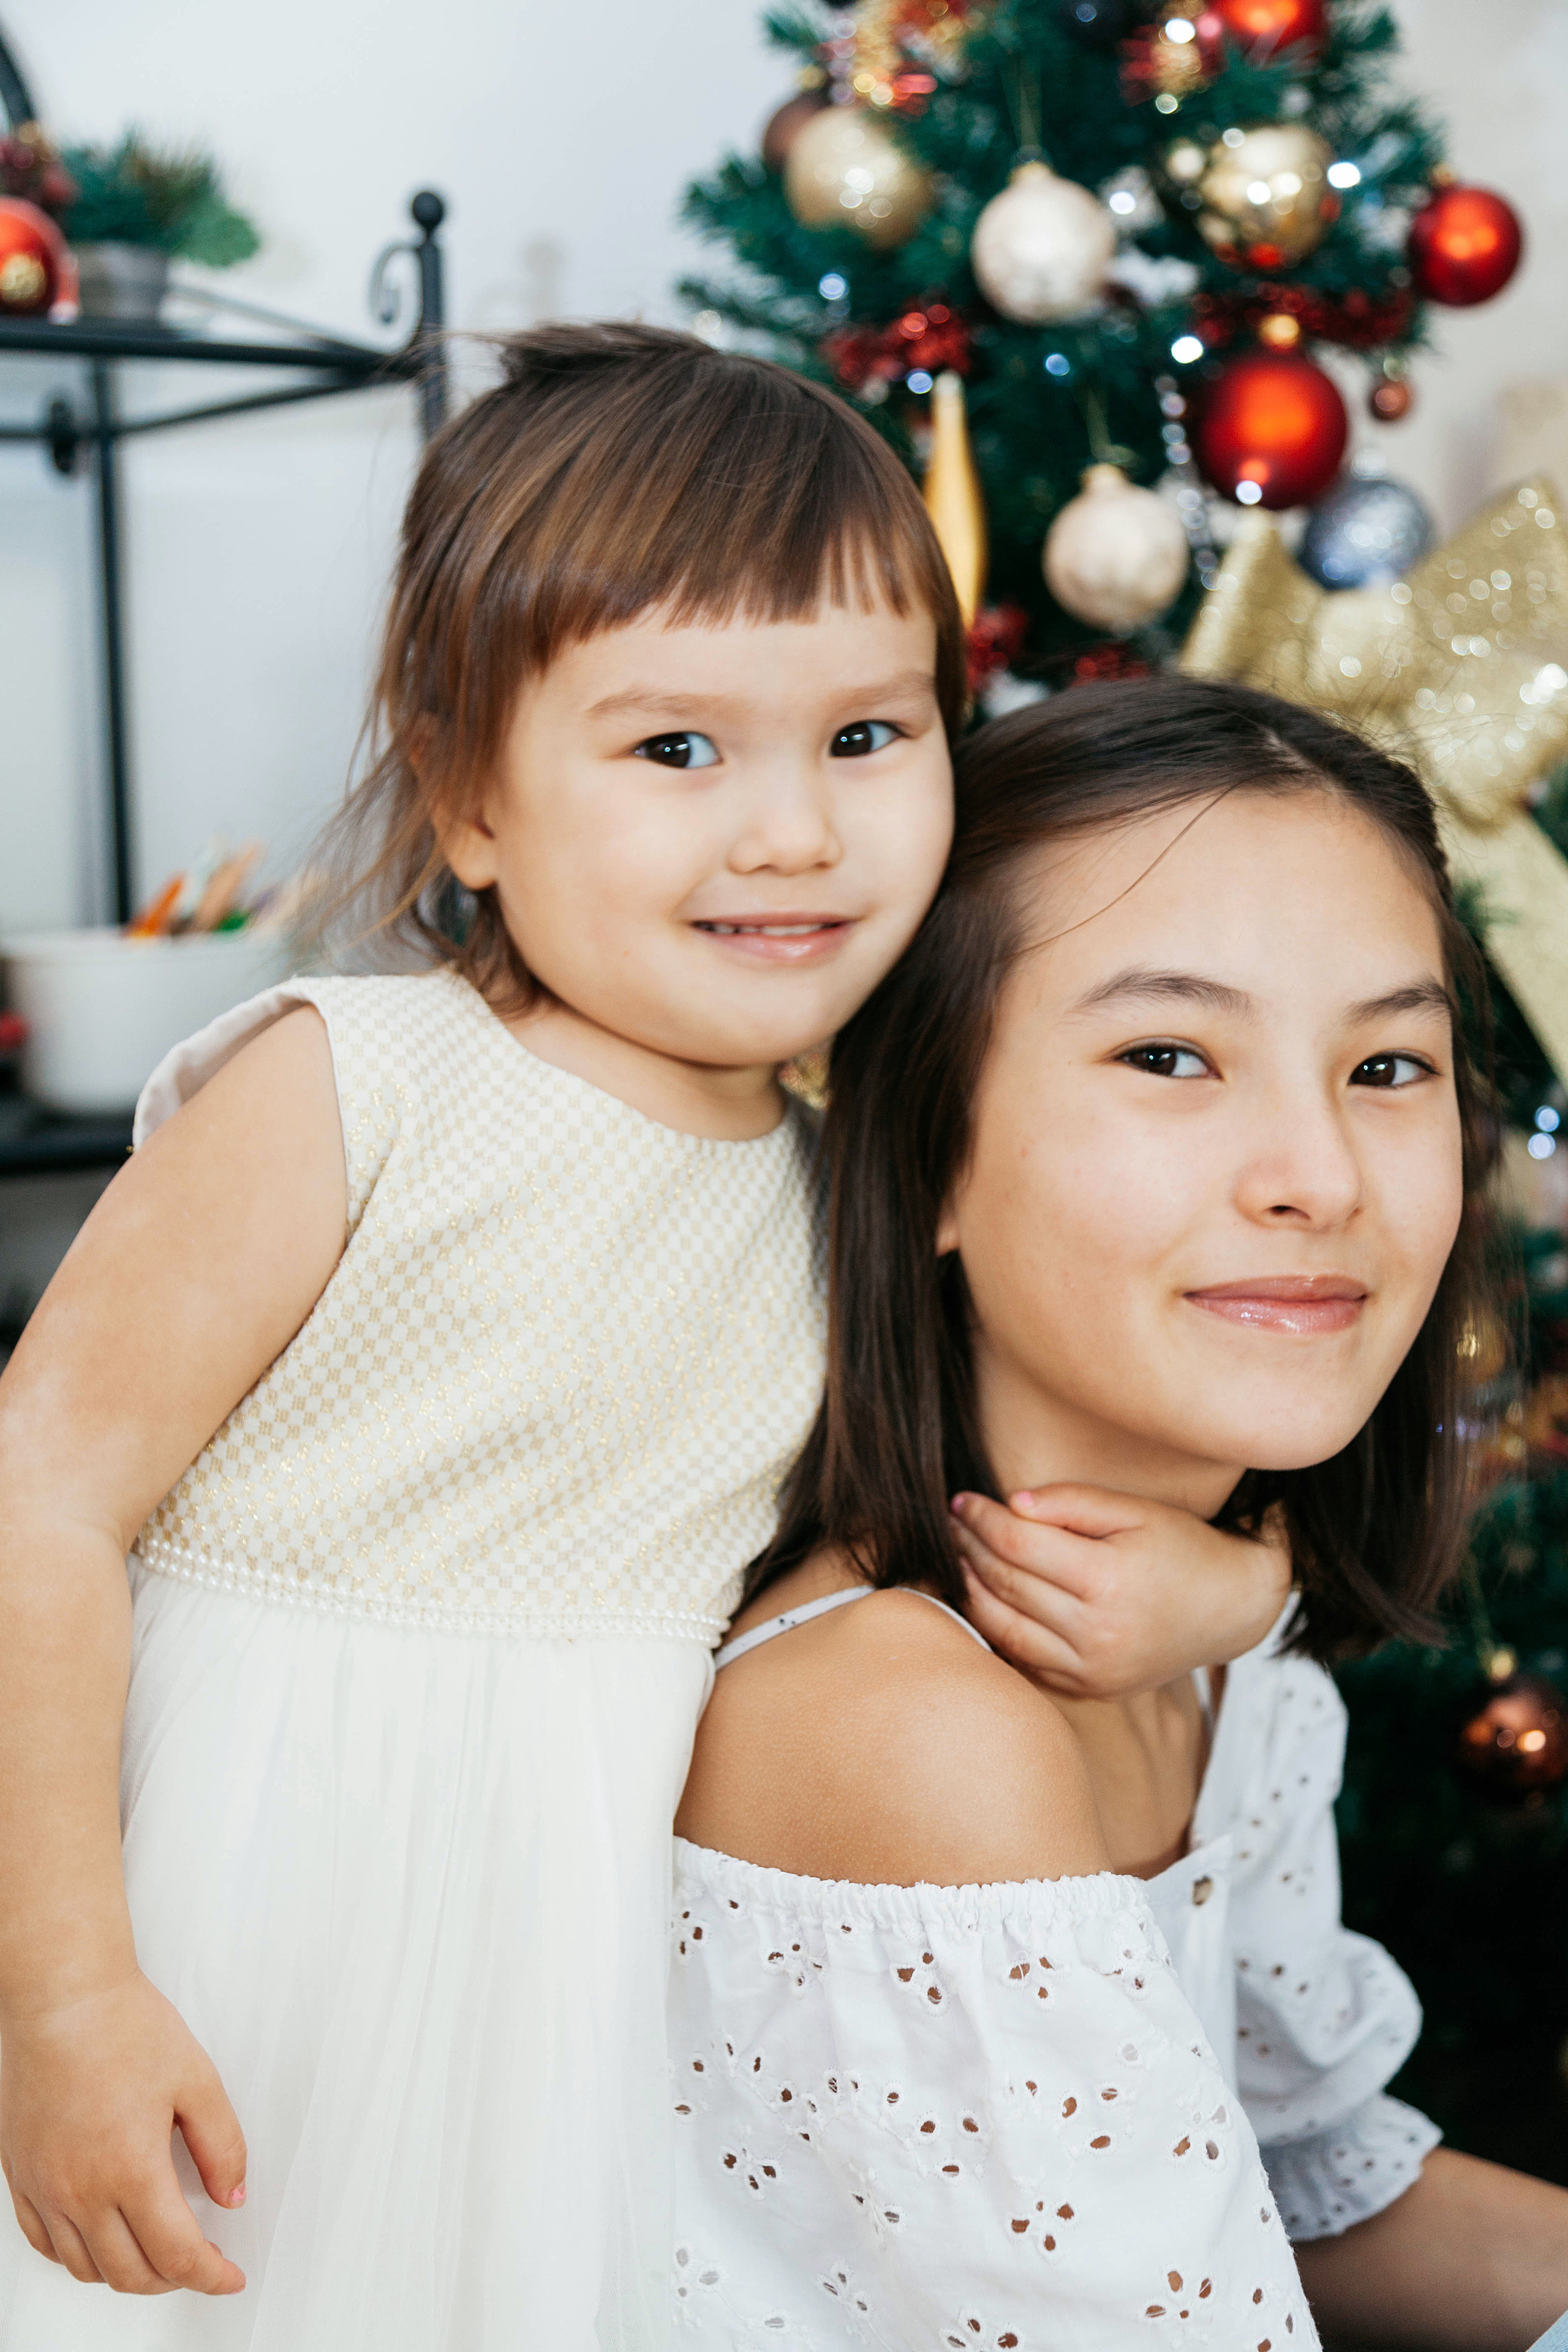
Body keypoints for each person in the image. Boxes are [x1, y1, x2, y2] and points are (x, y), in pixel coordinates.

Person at [0, 331, 1282, 2352]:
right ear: (465, 792)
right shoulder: (363, 1085)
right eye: (679, 751)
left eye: (868, 738)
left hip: (583, 1978)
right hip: (250, 1920)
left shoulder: (856, 1160)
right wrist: (63, 1983)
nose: (791, 834)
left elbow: (1017, 1482)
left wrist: (1232, 1580)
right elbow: (38, 1506)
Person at [673, 677, 1568, 2351]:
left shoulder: (1222, 1643)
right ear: (925, 1147)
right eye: (1171, 1055)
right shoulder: (915, 1727)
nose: (1320, 1174)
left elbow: (1303, 2183)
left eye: (1389, 1064)